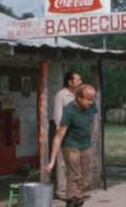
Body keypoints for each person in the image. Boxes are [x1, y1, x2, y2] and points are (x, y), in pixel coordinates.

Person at [46, 84, 98, 207]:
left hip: (86, 144)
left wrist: (92, 136)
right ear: (79, 97)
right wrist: (52, 161)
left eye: (92, 99)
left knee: (86, 178)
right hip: (71, 145)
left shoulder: (92, 106)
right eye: (89, 99)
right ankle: (72, 202)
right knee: (74, 176)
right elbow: (58, 137)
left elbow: (93, 120)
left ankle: (79, 201)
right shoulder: (69, 111)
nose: (91, 102)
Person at [50, 71, 82, 200]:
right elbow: (58, 117)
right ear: (70, 82)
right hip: (64, 134)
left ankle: (75, 190)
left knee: (75, 162)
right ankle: (62, 191)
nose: (81, 82)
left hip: (76, 134)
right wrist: (62, 134)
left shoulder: (77, 96)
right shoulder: (61, 96)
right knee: (62, 163)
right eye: (78, 80)